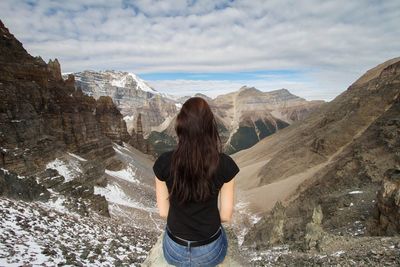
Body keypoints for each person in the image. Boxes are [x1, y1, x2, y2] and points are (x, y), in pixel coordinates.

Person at [152, 97, 240, 267]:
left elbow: (163, 213)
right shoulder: (225, 164)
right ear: (210, 127)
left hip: (174, 251)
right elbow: (226, 216)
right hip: (210, 251)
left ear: (180, 126)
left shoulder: (163, 162)